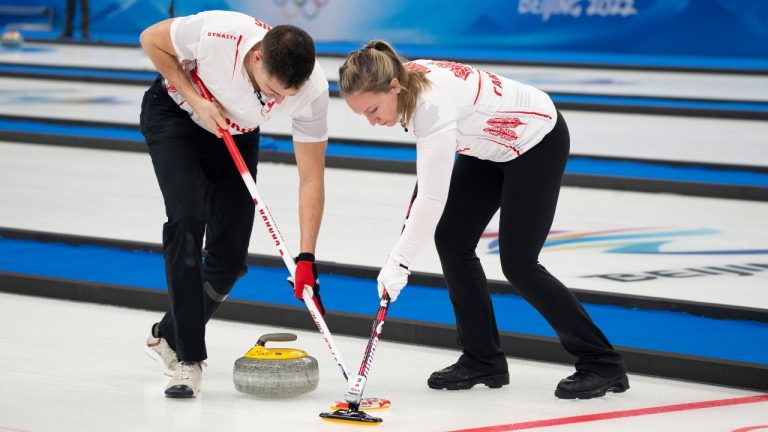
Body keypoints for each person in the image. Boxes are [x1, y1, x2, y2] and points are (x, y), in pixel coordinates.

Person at [338, 41, 629, 400]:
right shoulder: (406, 83)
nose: (372, 122)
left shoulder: (432, 105)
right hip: (488, 144)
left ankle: (603, 363)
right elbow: (427, 185)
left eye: (373, 110)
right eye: (361, 115)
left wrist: (399, 260)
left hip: (536, 142)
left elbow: (432, 197)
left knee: (519, 263)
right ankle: (482, 359)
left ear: (394, 87)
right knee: (451, 238)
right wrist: (401, 250)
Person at [139, 10, 328, 398]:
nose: (276, 101)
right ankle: (188, 360)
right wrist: (196, 100)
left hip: (235, 134)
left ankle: (167, 335)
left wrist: (306, 256)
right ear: (257, 57)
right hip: (175, 115)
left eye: (285, 98)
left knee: (228, 262)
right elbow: (150, 39)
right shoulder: (218, 33)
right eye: (271, 91)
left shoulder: (313, 93)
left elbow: (311, 177)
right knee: (188, 218)